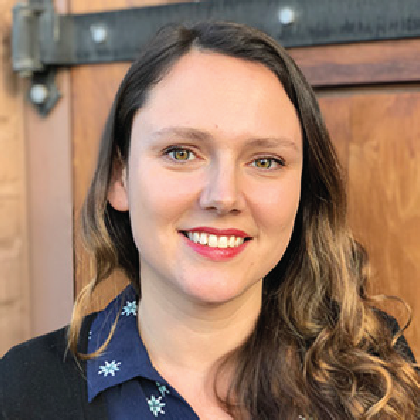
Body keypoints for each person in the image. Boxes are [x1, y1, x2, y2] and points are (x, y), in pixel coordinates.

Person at [1, 21, 419, 420]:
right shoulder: (26, 390)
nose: (223, 196)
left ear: (303, 190)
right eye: (181, 152)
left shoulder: (371, 367)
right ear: (119, 178)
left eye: (265, 160)